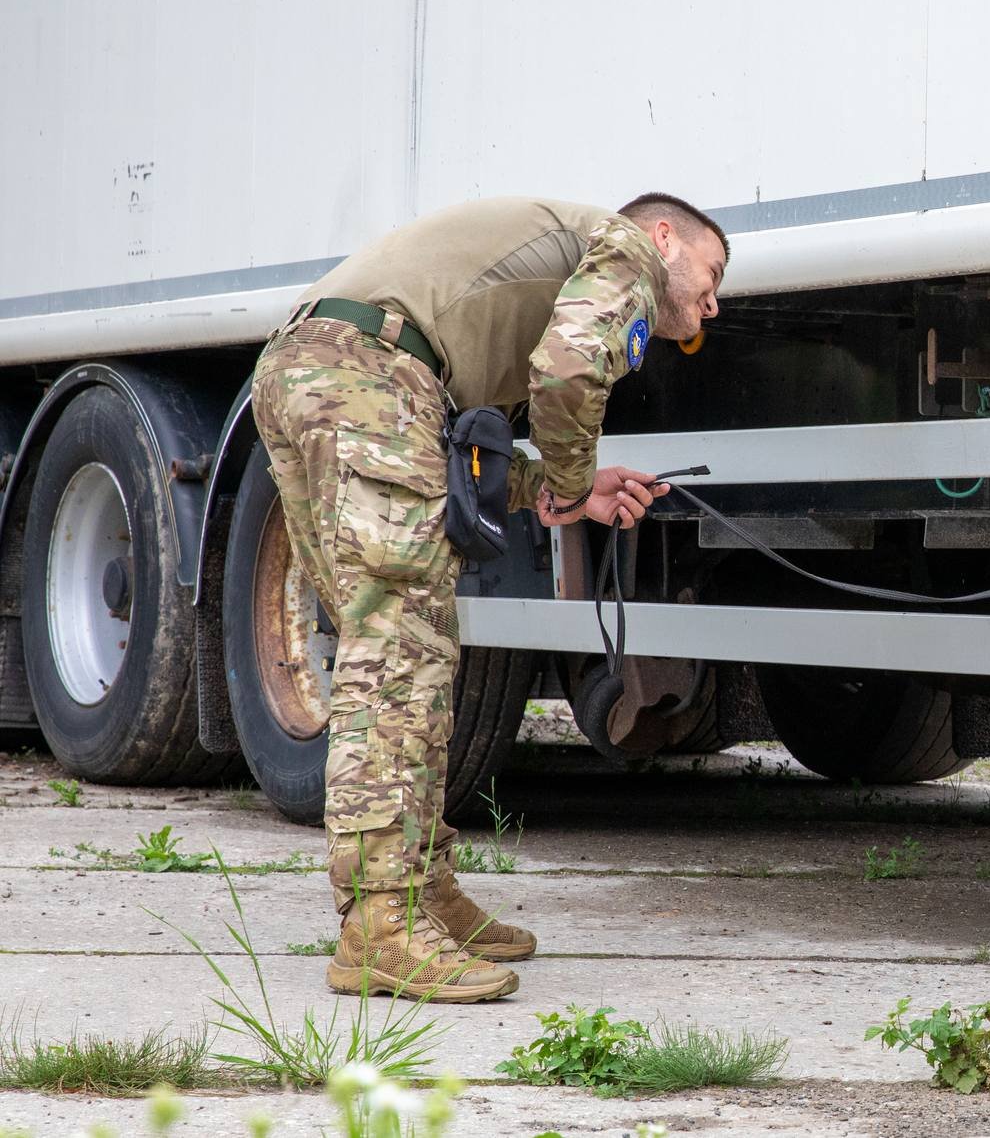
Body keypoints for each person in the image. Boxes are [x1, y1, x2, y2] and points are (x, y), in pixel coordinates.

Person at [249, 193, 726, 1001]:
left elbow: (473, 456)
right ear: (665, 236)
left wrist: (567, 489)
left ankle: (420, 892)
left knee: (394, 655)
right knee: (398, 660)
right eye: (712, 276)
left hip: (313, 371)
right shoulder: (626, 252)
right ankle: (379, 927)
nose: (713, 304)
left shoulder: (544, 275)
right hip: (370, 377)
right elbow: (571, 373)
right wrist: (577, 483)